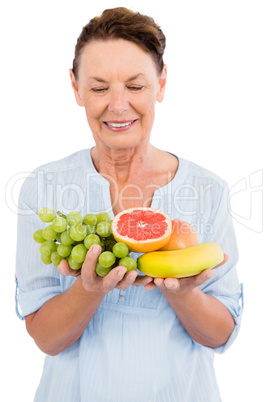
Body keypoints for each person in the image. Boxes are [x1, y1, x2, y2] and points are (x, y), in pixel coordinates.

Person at [15, 7, 243, 402]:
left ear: (162, 83)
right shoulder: (44, 188)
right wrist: (88, 289)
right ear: (76, 88)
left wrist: (183, 293)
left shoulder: (209, 191)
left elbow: (221, 334)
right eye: (100, 88)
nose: (118, 106)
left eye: (135, 87)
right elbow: (47, 339)